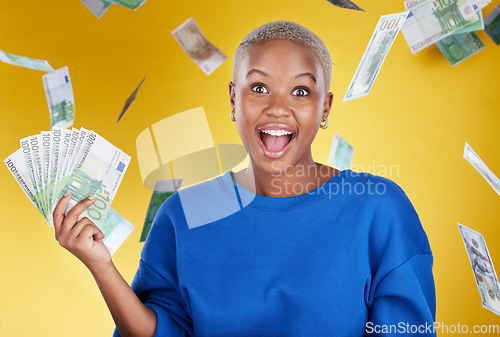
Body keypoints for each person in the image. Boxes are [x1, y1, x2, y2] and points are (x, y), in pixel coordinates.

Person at [53, 21, 436, 336]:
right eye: (259, 88)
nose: (278, 108)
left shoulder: (378, 209)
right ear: (234, 100)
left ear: (325, 107)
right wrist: (101, 265)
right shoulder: (185, 214)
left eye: (301, 91)